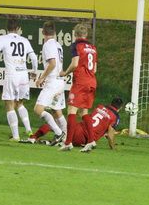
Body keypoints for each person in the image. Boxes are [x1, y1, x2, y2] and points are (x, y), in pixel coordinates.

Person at [0, 19, 38, 142]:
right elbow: (34, 57)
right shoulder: (24, 40)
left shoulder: (3, 39)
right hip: (24, 75)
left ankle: (16, 136)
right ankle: (29, 131)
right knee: (20, 103)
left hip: (12, 75)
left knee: (9, 104)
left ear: (7, 28)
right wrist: (34, 71)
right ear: (18, 28)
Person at [23, 23, 67, 145]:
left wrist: (42, 78)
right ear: (55, 32)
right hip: (59, 82)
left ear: (43, 32)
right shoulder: (58, 45)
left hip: (52, 82)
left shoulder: (48, 45)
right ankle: (66, 138)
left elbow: (52, 63)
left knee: (38, 109)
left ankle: (59, 133)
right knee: (57, 111)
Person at [58, 23, 97, 152]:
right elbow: (95, 69)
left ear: (75, 35)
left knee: (71, 110)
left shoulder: (76, 46)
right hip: (92, 82)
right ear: (86, 34)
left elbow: (75, 64)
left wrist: (65, 73)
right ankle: (91, 141)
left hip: (81, 82)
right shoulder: (93, 48)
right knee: (83, 112)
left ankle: (68, 142)